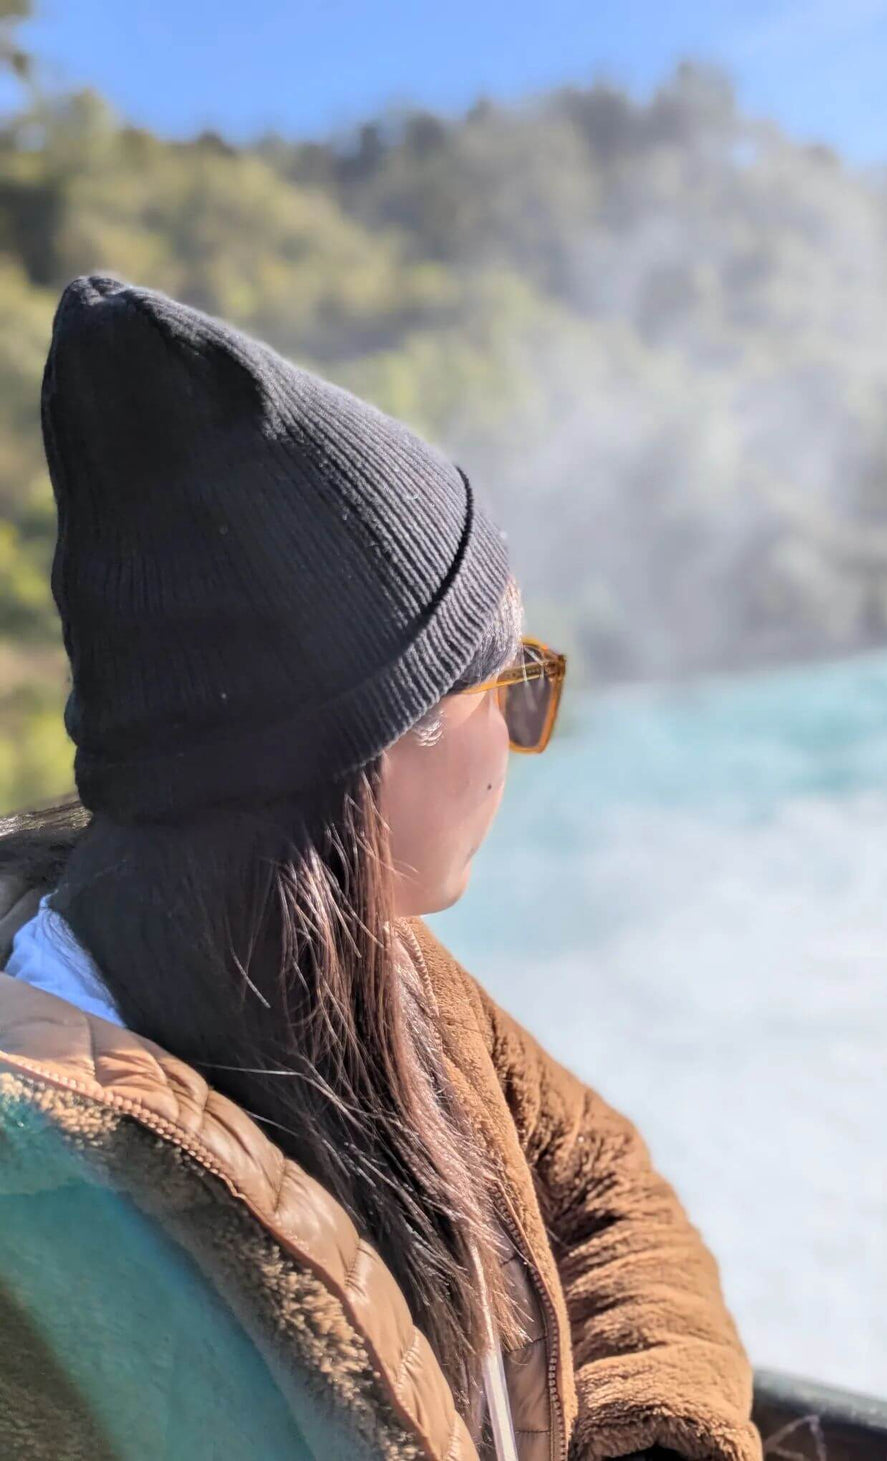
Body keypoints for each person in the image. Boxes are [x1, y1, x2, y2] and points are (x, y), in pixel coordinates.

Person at [0, 274, 762, 1461]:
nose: (521, 739)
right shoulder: (38, 1181)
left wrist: (653, 1427)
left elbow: (602, 1181)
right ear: (381, 745)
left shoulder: (379, 972)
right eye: (512, 688)